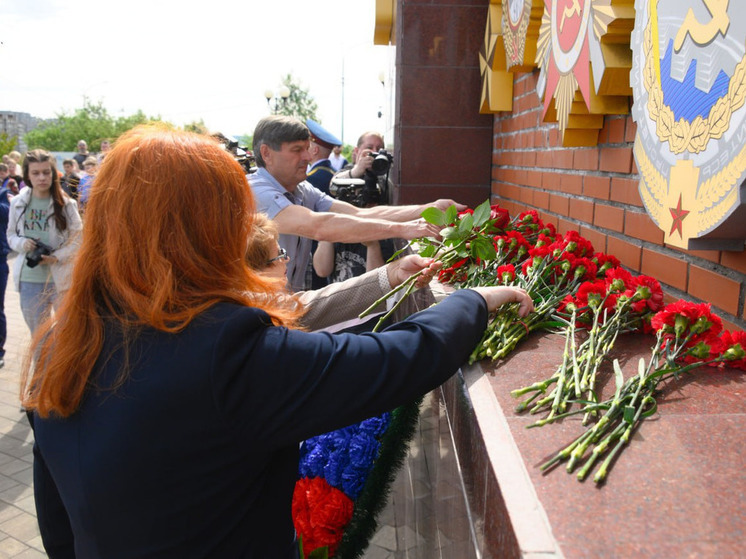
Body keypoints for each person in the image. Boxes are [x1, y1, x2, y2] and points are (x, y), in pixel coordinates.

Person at [22, 125, 533, 558]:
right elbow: (394, 360)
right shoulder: (223, 347)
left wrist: (390, 276)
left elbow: (57, 522)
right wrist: (471, 302)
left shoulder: (61, 340)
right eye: (229, 212)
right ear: (199, 229)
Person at [249, 115, 463, 292]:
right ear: (267, 153)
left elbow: (357, 214)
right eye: (297, 150)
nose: (307, 156)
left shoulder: (301, 189)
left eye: (307, 148)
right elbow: (318, 226)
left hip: (284, 302)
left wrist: (427, 209)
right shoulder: (256, 191)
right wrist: (403, 229)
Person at [247, 212, 420, 331]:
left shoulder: (256, 305)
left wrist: (393, 272)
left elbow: (315, 305)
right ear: (257, 269)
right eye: (279, 255)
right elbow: (317, 292)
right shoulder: (258, 313)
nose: (287, 259)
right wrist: (327, 236)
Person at [7, 149, 82, 334]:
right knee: (40, 339)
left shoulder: (67, 204)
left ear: (53, 173)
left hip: (61, 280)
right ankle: (43, 365)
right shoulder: (17, 203)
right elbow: (10, 235)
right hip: (30, 279)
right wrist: (22, 244)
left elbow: (79, 241)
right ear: (27, 175)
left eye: (46, 172)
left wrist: (56, 257)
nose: (42, 177)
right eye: (36, 173)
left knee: (67, 335)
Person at [304, 119, 339, 195]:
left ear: (315, 150)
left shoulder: (312, 178)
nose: (304, 150)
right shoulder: (335, 173)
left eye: (307, 147)